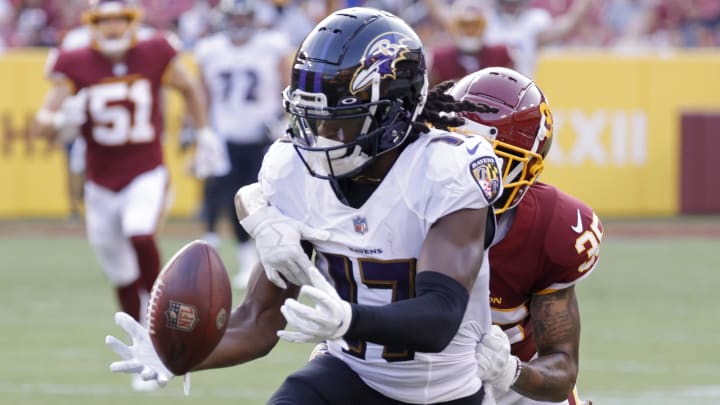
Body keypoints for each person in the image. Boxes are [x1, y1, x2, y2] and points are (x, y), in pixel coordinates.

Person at [106, 7, 507, 404]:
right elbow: (259, 321)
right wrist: (181, 356)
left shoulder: (445, 169)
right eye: (312, 120)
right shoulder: (291, 169)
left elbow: (440, 317)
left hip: (442, 393)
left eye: (340, 121)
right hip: (349, 374)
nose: (321, 138)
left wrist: (350, 319)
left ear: (394, 112)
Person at [31, 0, 224, 391]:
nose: (114, 28)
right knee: (119, 273)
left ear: (132, 22)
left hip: (146, 172)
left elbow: (188, 87)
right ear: (94, 24)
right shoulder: (74, 62)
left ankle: (164, 333)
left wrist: (203, 132)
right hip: (100, 185)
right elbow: (42, 126)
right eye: (106, 21)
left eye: (120, 20)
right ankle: (144, 347)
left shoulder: (155, 51)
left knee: (140, 234)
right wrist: (57, 121)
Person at [444, 67, 600, 405]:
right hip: (412, 373)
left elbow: (561, 369)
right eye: (455, 150)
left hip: (511, 389)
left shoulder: (551, 227)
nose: (465, 172)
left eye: (488, 160)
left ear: (525, 169)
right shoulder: (406, 195)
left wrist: (509, 372)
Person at [193, 0, 293, 289]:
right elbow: (202, 94)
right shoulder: (210, 51)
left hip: (264, 135)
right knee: (228, 197)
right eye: (233, 18)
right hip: (224, 134)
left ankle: (271, 258)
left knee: (266, 198)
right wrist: (201, 129)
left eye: (243, 17)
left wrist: (281, 116)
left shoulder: (271, 45)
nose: (238, 23)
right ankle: (245, 259)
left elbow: (287, 84)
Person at [484, 0, 595, 77]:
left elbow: (569, 25)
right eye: (506, 4)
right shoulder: (486, 22)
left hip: (522, 87)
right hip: (491, 86)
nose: (510, 8)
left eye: (514, 4)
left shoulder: (533, 21)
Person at [424, 0, 515, 86]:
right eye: (465, 26)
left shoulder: (501, 55)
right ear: (454, 27)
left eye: (474, 26)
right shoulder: (438, 58)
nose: (470, 31)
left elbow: (515, 89)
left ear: (484, 26)